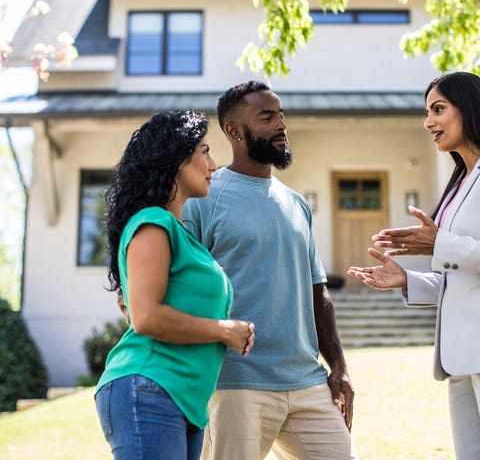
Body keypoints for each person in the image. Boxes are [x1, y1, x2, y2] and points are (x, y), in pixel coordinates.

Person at [182, 81, 357, 460]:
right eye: (266, 117)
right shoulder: (203, 200)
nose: (281, 125)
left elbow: (317, 291)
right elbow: (183, 287)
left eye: (281, 116)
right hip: (236, 382)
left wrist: (338, 366)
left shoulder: (296, 204)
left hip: (308, 380)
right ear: (233, 131)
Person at [95, 110, 255, 460]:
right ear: (176, 159)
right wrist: (224, 330)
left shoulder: (183, 234)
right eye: (205, 151)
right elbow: (147, 318)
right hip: (149, 386)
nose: (214, 164)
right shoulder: (153, 222)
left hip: (183, 400)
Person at [347, 71, 480, 460]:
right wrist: (409, 280)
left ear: (469, 108)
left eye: (438, 109)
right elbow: (461, 277)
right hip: (460, 360)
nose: (428, 122)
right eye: (426, 112)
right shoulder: (458, 185)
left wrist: (439, 241)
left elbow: (457, 251)